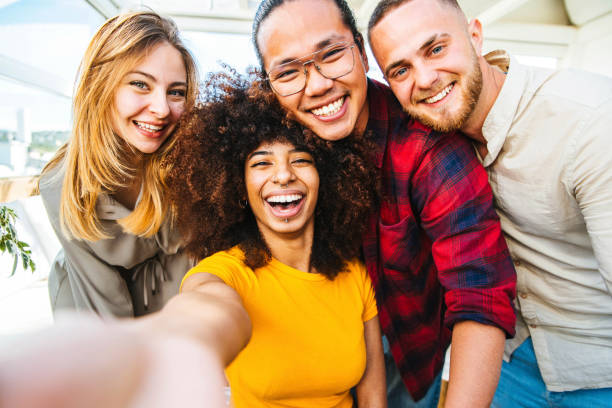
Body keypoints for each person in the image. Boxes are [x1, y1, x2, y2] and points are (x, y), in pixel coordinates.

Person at [251, 0, 517, 407]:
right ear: (269, 85)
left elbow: (478, 294)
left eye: (332, 54)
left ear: (361, 52)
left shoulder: (429, 149)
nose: (318, 85)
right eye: (288, 72)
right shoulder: (264, 149)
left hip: (410, 353)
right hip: (308, 357)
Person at [367, 0, 612, 406]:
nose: (425, 79)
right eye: (401, 70)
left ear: (475, 36)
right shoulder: (428, 141)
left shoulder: (588, 122)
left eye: (436, 49)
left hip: (599, 369)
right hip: (508, 361)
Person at [164, 70, 385, 408]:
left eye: (300, 160)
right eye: (261, 163)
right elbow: (206, 308)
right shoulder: (227, 274)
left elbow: (372, 398)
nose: (283, 175)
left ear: (327, 178)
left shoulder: (354, 275)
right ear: (237, 186)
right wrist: (154, 337)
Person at [38, 11, 199, 317]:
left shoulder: (190, 161)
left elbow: (196, 258)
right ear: (101, 87)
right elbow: (102, 305)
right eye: (140, 84)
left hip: (172, 287)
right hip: (87, 294)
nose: (162, 109)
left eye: (175, 92)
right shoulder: (60, 183)